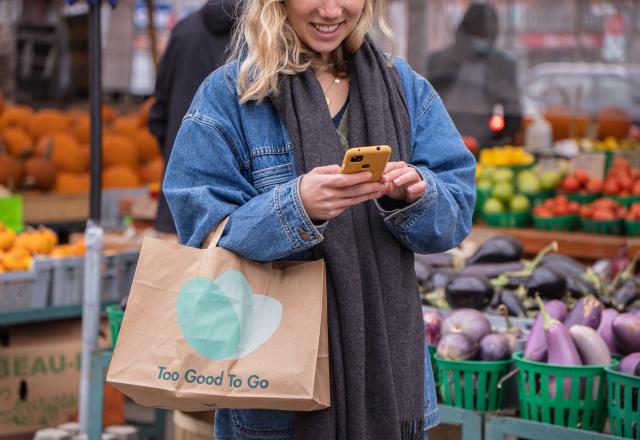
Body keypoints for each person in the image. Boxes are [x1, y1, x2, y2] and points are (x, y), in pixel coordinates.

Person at [163, 1, 475, 439]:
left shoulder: (405, 89)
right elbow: (202, 231)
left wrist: (415, 195)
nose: (331, 10)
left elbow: (457, 214)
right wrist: (296, 207)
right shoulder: (231, 95)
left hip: (387, 380)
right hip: (273, 396)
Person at [148, 0, 238, 234]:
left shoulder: (184, 30)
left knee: (180, 268)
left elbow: (158, 114)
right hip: (237, 205)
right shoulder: (261, 35)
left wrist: (176, 155)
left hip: (177, 198)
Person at [427, 3, 521, 148]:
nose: (478, 42)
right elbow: (425, 108)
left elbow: (513, 113)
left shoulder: (502, 65)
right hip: (440, 141)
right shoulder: (438, 62)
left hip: (483, 144)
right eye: (475, 32)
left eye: (485, 33)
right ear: (462, 32)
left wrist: (494, 143)